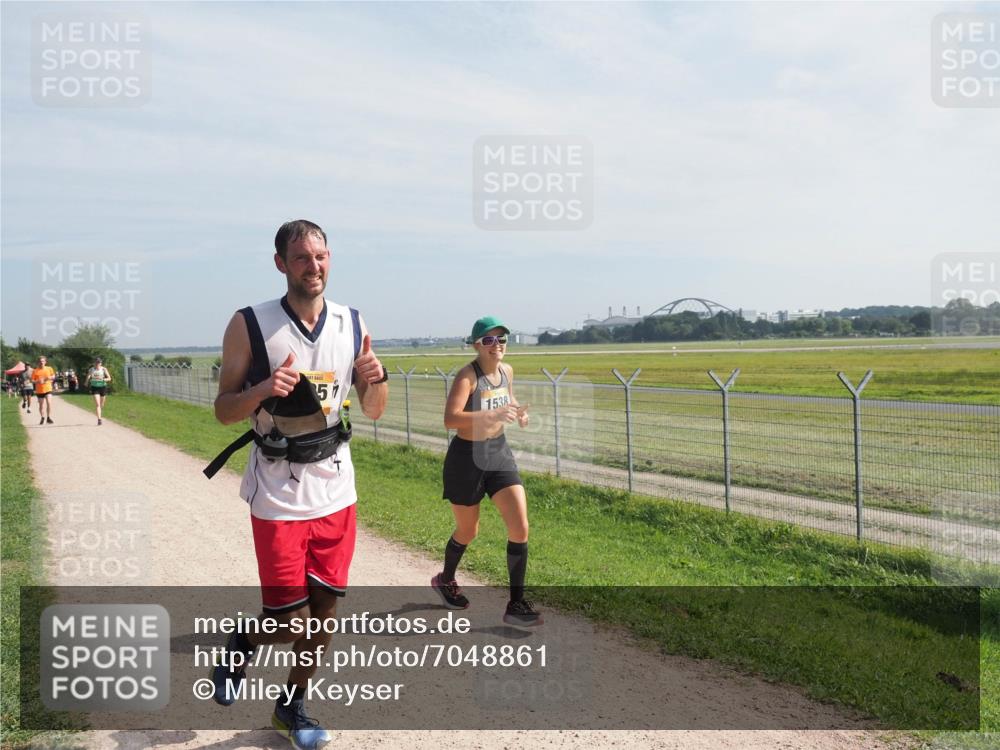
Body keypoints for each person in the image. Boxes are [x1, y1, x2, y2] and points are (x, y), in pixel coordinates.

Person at [209, 219, 388, 750]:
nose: (314, 266)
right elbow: (223, 410)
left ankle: (292, 706)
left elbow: (374, 411)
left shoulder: (351, 322)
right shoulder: (250, 324)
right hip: (279, 491)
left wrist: (375, 379)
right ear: (281, 263)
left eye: (322, 256)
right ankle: (243, 642)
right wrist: (262, 389)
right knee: (289, 623)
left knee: (325, 614)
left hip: (336, 486)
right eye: (302, 257)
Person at [432, 316, 542, 627]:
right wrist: (491, 413)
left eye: (502, 339)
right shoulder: (467, 376)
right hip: (466, 458)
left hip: (498, 452)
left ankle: (516, 604)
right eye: (490, 340)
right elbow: (450, 419)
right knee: (469, 531)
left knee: (520, 524)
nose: (497, 346)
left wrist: (518, 411)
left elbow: (507, 397)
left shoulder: (507, 371)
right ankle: (445, 579)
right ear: (477, 345)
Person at [86, 358, 112, 425]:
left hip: (103, 387)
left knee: (101, 405)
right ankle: (99, 419)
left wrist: (103, 379)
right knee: (97, 404)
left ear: (101, 363)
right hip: (95, 388)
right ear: (94, 363)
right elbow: (88, 376)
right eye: (96, 362)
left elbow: (109, 378)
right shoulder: (91, 369)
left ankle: (100, 412)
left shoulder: (104, 369)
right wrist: (86, 382)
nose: (97, 364)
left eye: (99, 362)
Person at [31, 356, 56, 425]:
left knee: (49, 402)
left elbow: (53, 376)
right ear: (38, 362)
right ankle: (42, 417)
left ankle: (48, 417)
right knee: (41, 405)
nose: (41, 362)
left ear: (45, 362)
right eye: (40, 361)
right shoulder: (35, 371)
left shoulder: (49, 368)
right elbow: (32, 380)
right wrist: (38, 381)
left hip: (48, 388)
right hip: (39, 390)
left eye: (43, 361)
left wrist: (49, 377)